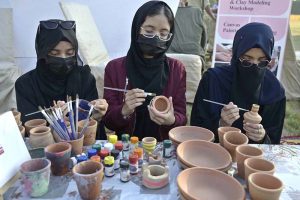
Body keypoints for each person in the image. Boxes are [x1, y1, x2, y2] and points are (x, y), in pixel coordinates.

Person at [103, 1, 187, 141]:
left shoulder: (176, 69)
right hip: (126, 147)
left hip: (162, 148)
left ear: (170, 36)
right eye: (149, 31)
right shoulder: (115, 68)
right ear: (137, 28)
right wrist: (124, 110)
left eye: (163, 33)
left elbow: (182, 118)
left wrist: (171, 120)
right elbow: (108, 121)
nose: (156, 37)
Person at [191, 22, 286, 144]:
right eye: (247, 60)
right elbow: (196, 129)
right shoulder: (213, 80)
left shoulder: (274, 91)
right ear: (236, 56)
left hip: (252, 158)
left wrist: (262, 137)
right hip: (213, 153)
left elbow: (273, 142)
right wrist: (221, 124)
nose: (254, 67)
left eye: (262, 62)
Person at [15, 19, 108, 129]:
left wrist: (97, 113)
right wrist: (52, 118)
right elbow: (30, 129)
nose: (63, 58)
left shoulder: (85, 78)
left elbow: (91, 121)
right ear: (43, 52)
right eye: (54, 53)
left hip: (86, 142)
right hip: (46, 144)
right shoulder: (26, 84)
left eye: (70, 53)